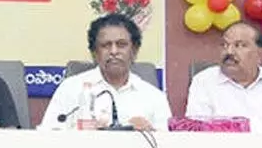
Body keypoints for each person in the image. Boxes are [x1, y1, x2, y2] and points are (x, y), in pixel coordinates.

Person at [40, 13, 171, 131]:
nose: (114, 51)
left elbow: (168, 147)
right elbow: (48, 136)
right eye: (106, 45)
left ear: (134, 51)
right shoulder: (71, 88)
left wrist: (150, 133)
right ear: (95, 53)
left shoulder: (154, 97)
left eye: (121, 44)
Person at [185, 22, 262, 132]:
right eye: (224, 45)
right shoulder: (204, 81)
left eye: (239, 45)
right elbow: (198, 133)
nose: (229, 51)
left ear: (260, 54)